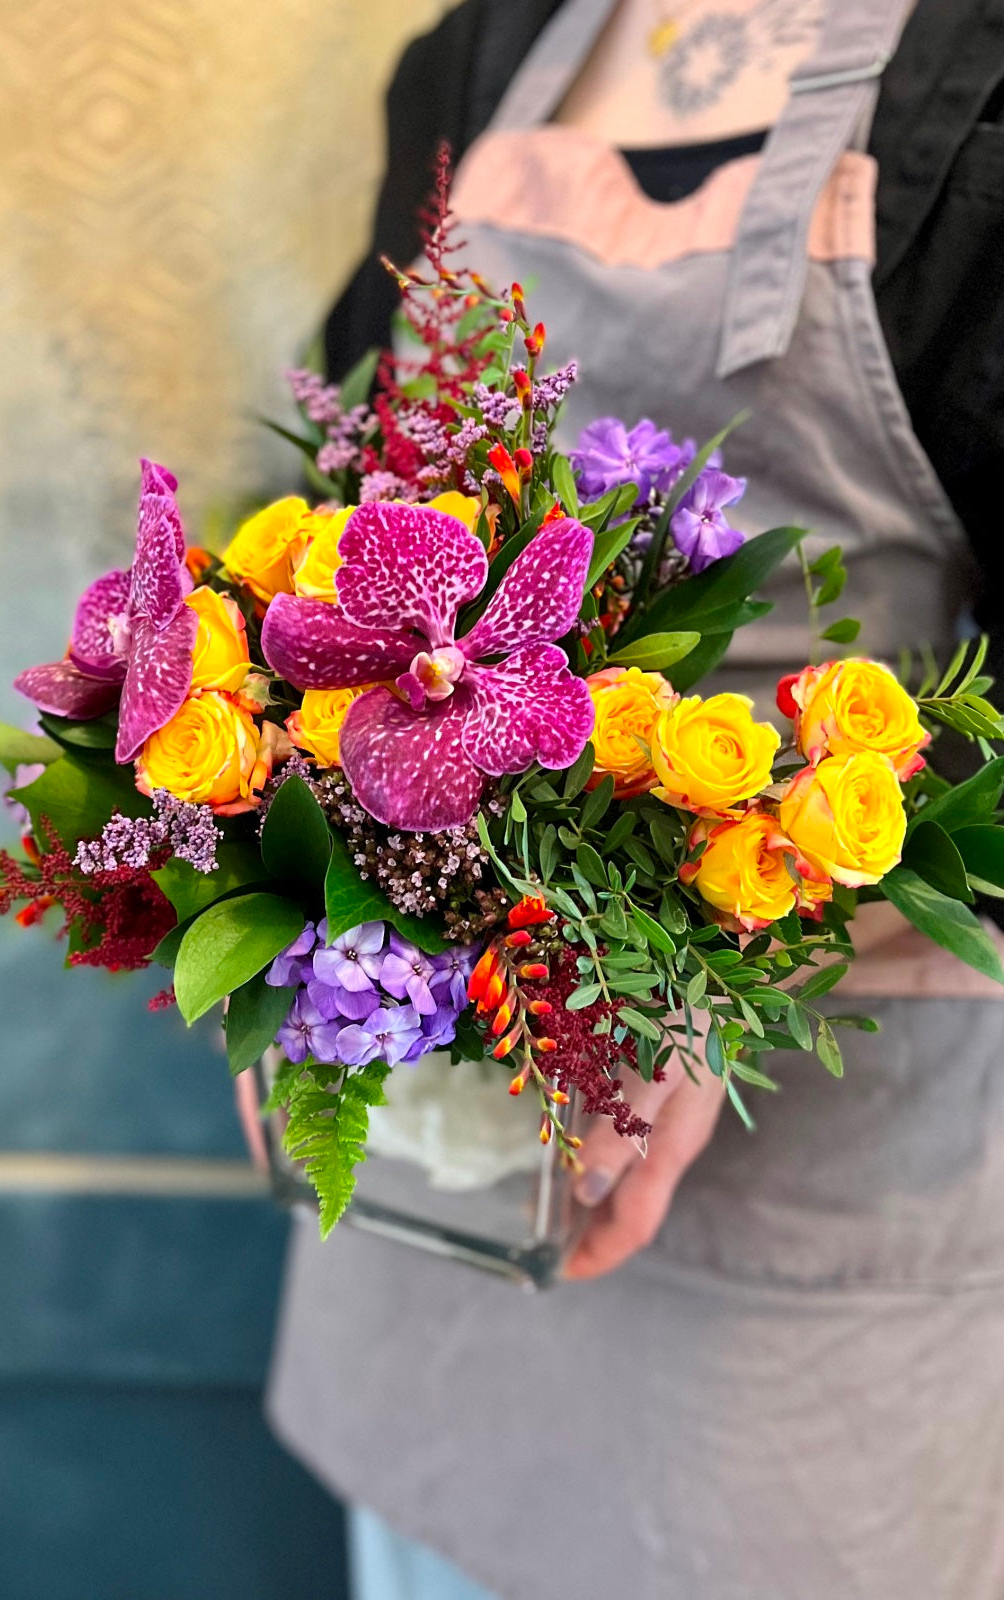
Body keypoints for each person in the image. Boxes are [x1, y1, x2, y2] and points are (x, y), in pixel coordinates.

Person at [267, 3, 1004, 1596]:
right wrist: (270, 901)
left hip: (803, 1230)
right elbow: (329, 535)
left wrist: (721, 918)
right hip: (429, 1165)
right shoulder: (479, 56)